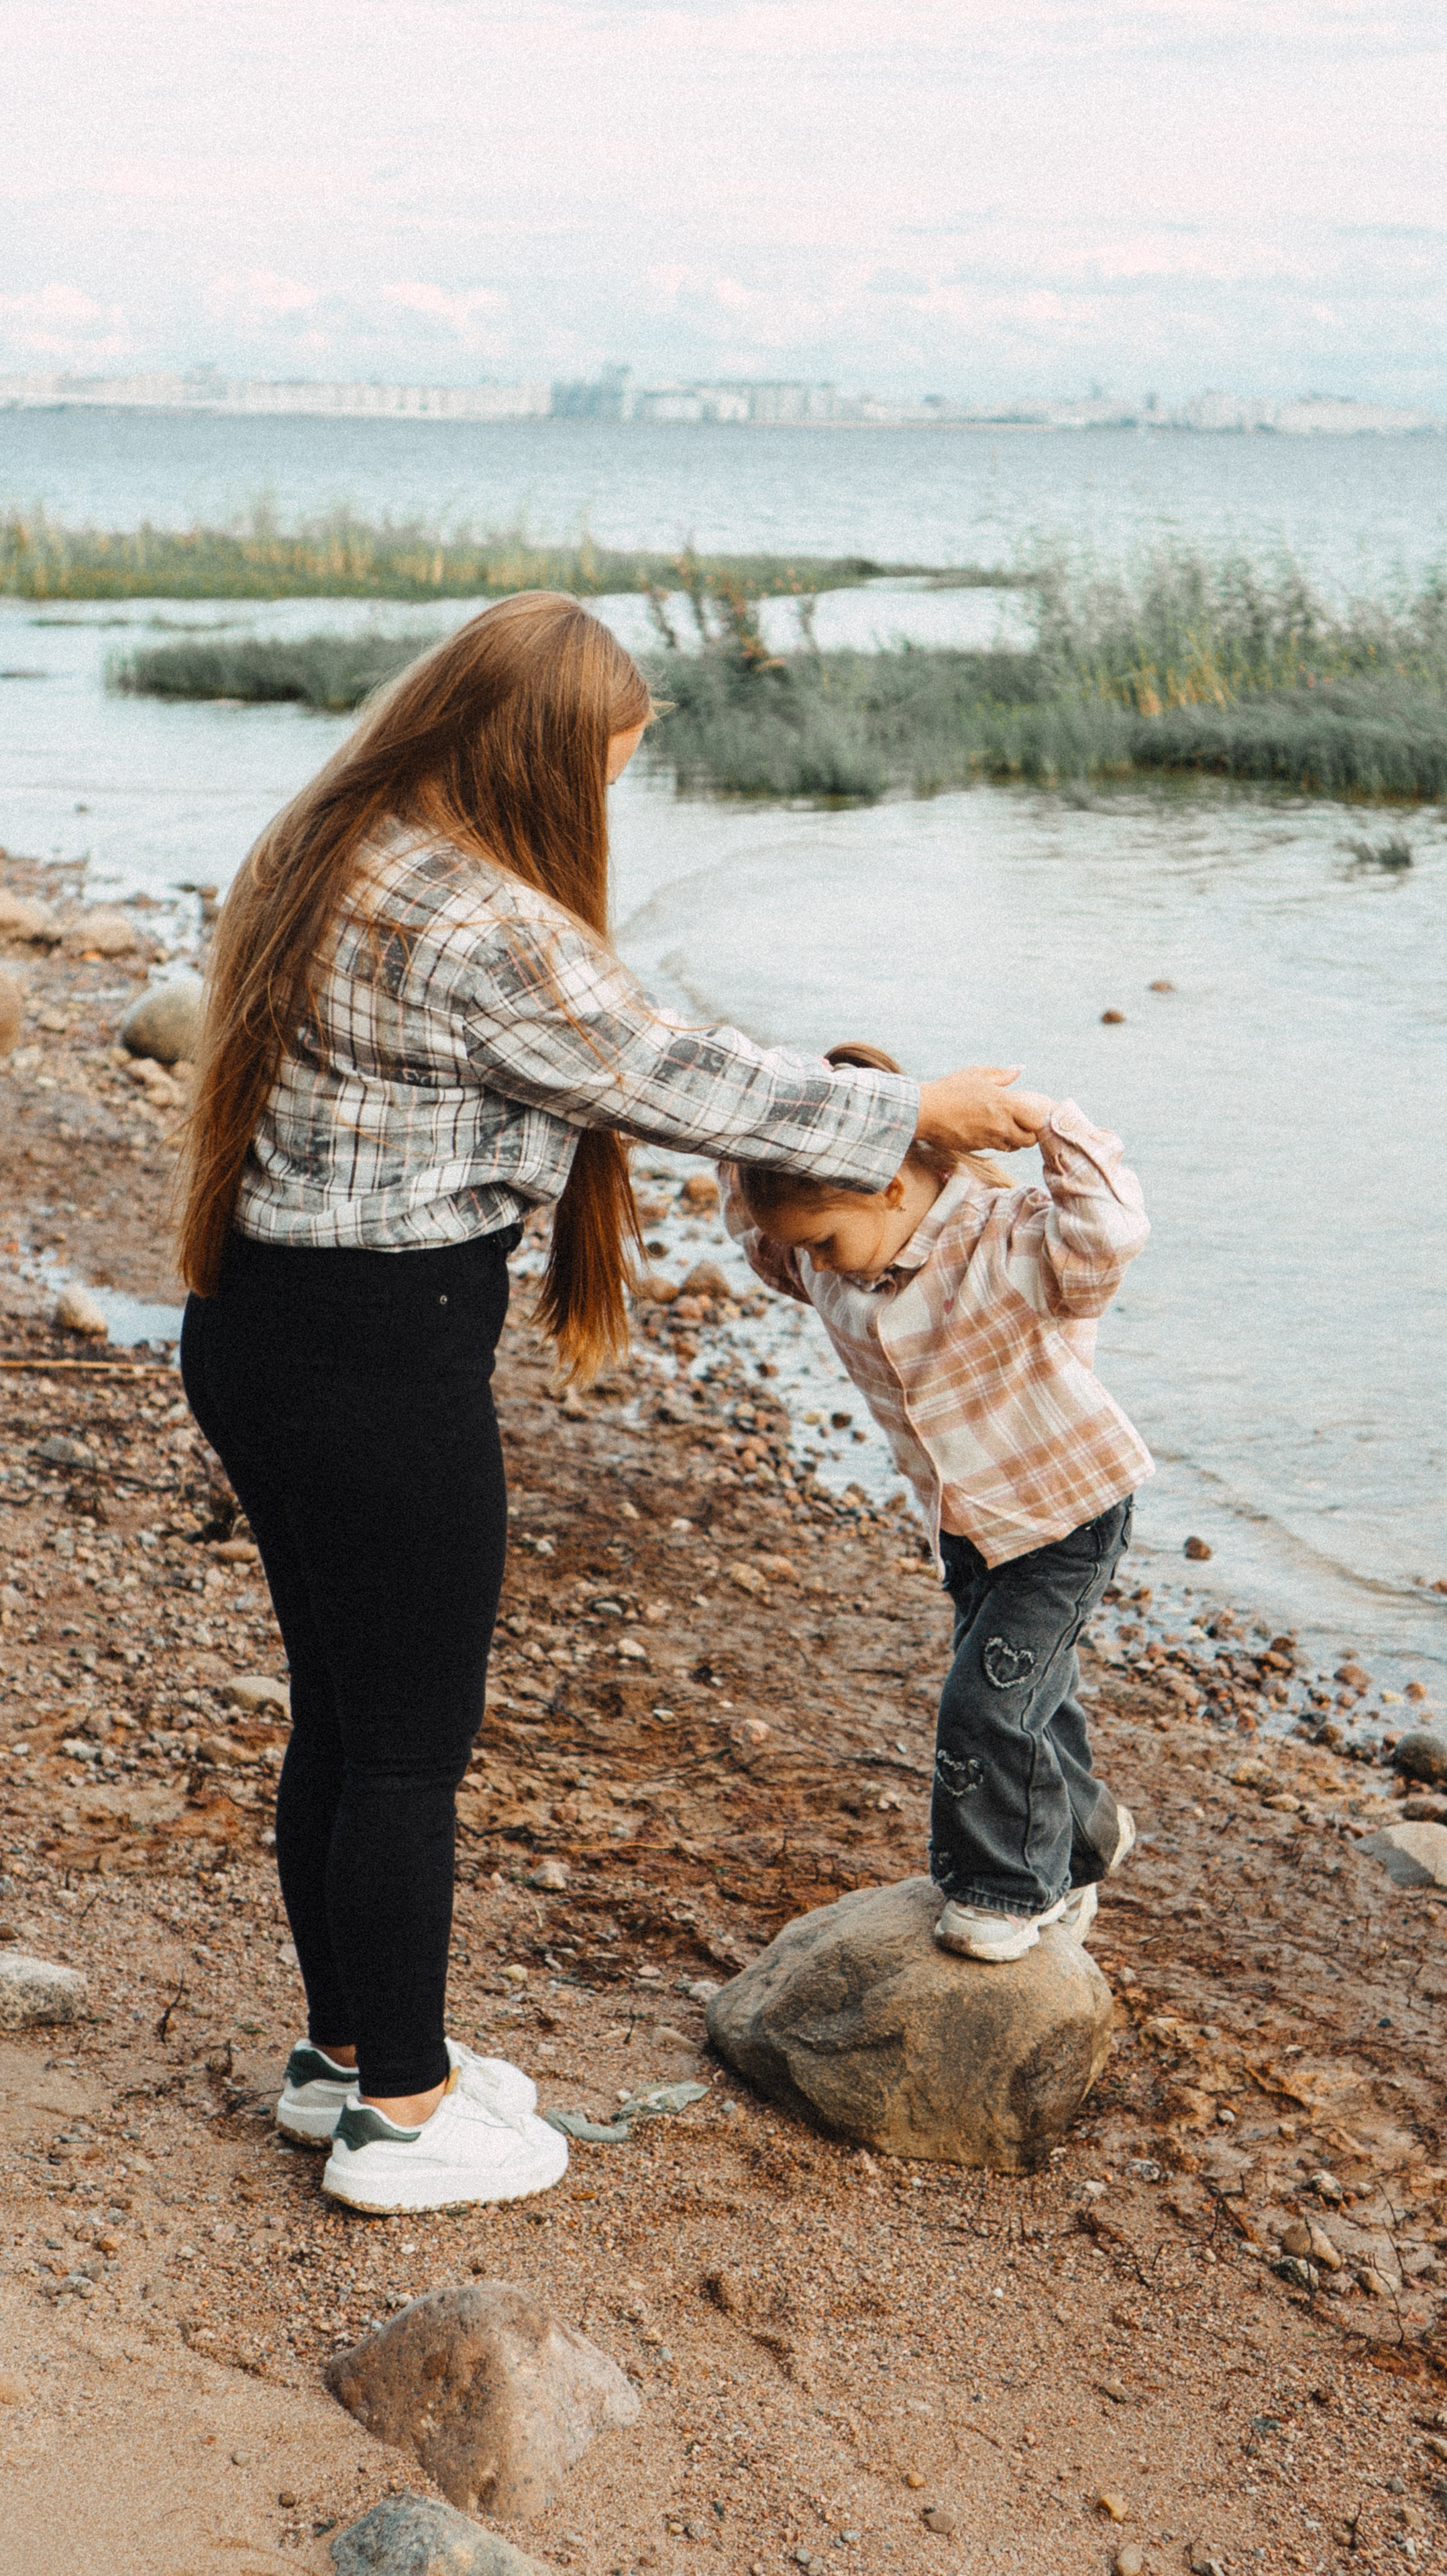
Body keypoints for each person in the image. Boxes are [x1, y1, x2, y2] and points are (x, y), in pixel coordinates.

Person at [174, 593, 1042, 2213]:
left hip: (253, 1327)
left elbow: (618, 1055)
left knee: (346, 1718)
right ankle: (406, 2123)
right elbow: (665, 1072)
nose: (607, 809)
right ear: (534, 758)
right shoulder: (482, 924)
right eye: (607, 776)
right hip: (377, 1357)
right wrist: (910, 1106)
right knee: (407, 1755)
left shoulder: (333, 839)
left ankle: (348, 2058)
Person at [720, 1042, 1153, 1964]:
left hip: (1063, 1512)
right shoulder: (828, 1261)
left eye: (819, 1242)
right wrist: (766, 1119)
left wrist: (1052, 1126)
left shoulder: (1007, 1238)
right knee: (1032, 1691)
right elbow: (757, 1229)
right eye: (797, 1248)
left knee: (982, 1705)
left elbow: (1111, 1236)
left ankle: (1005, 1889)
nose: (804, 1266)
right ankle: (1080, 1844)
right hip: (965, 1522)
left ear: (886, 1191)